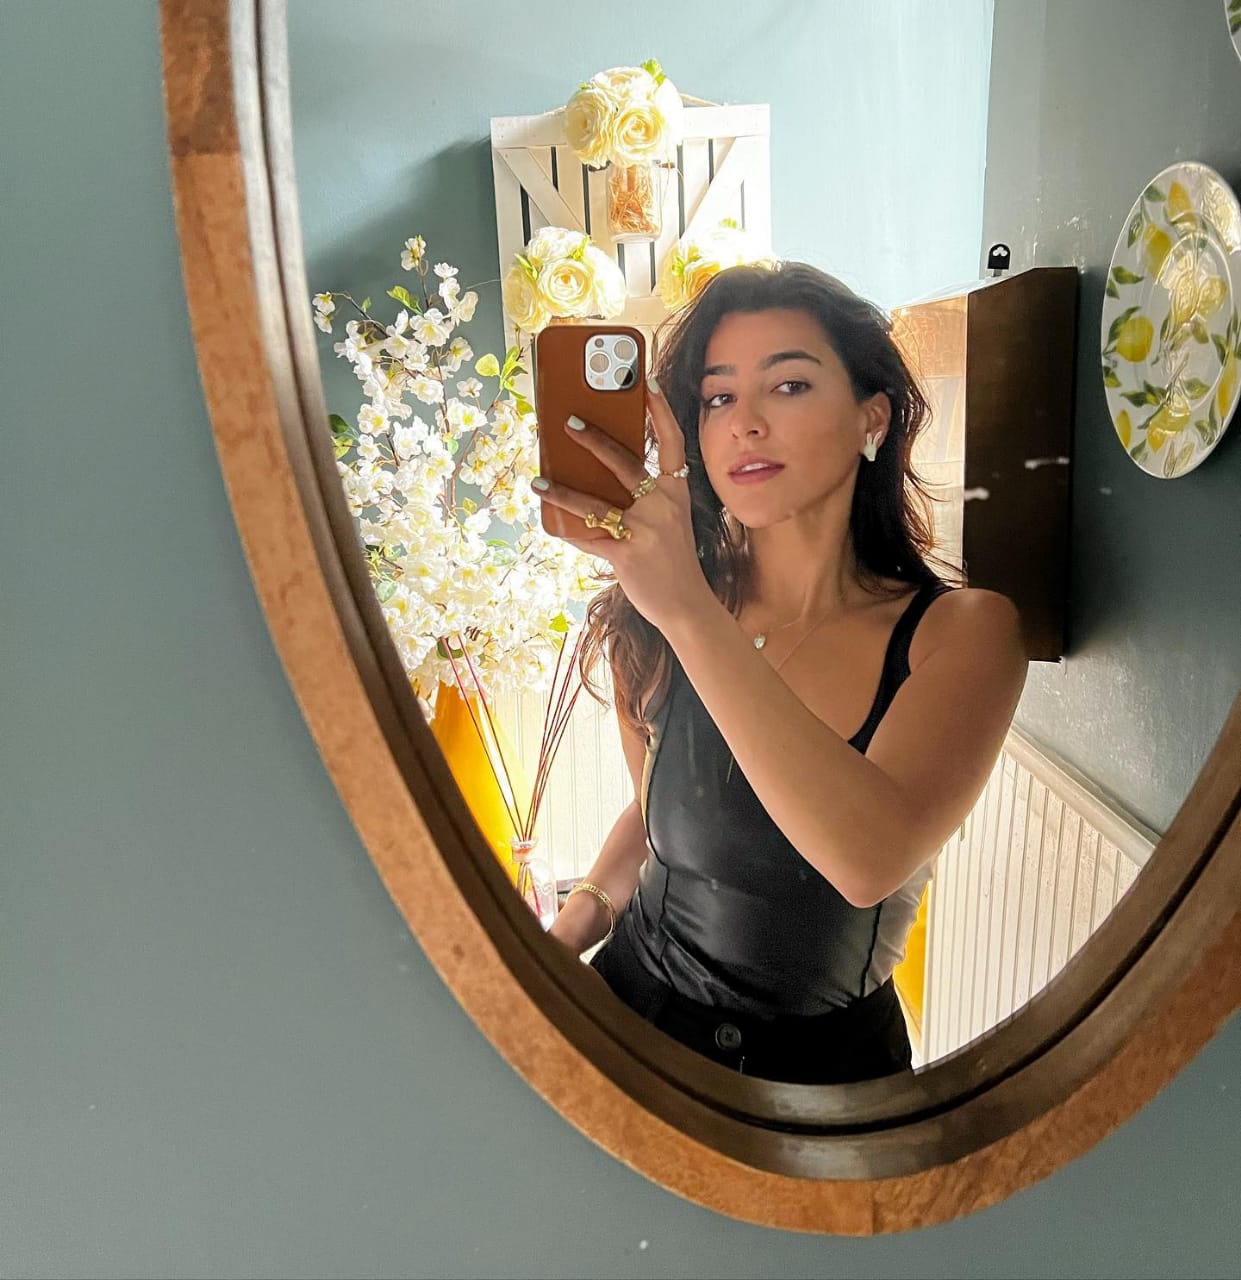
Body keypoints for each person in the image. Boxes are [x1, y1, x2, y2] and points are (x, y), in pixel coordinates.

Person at [536, 261, 1028, 1086]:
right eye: (717, 398)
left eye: (788, 385)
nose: (745, 424)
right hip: (623, 1022)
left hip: (819, 1088)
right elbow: (659, 811)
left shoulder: (964, 634)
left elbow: (866, 859)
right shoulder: (653, 617)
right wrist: (567, 931)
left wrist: (689, 613)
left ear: (872, 416)